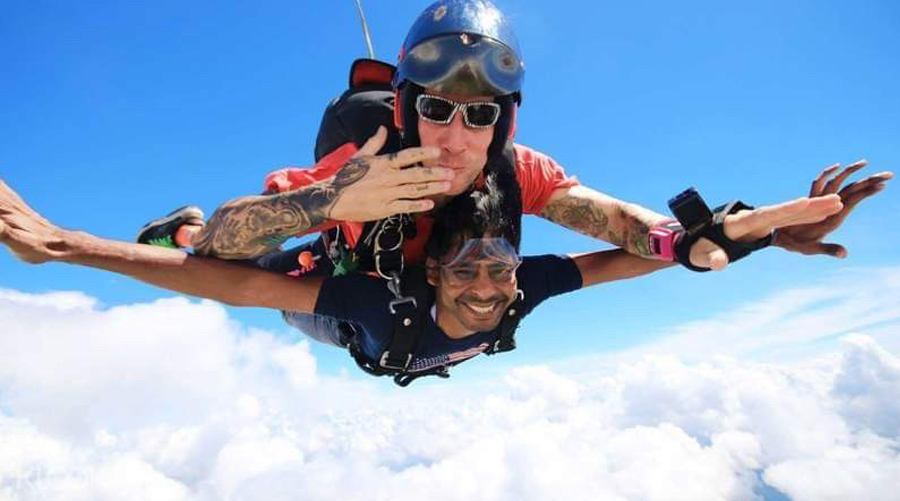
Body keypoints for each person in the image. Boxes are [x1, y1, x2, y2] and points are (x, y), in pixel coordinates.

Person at [0, 174, 869, 386]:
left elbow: (636, 255)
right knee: (250, 266)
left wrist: (753, 234)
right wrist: (68, 246)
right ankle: (182, 224)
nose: (489, 287)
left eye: (498, 268)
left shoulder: (525, 284)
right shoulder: (380, 297)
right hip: (342, 319)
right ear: (432, 270)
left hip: (389, 328)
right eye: (469, 270)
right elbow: (238, 293)